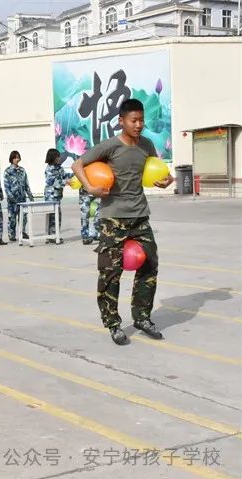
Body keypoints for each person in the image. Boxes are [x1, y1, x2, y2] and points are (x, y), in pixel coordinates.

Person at [72, 98, 174, 346]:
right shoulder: (109, 147)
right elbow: (77, 164)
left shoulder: (146, 144)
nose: (139, 125)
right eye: (134, 120)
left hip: (140, 215)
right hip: (113, 218)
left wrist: (167, 181)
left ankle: (142, 317)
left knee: (150, 265)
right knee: (110, 272)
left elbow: (158, 170)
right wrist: (90, 188)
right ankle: (113, 324)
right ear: (121, 121)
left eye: (141, 120)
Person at [3, 150, 33, 242]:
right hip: (12, 200)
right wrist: (11, 197)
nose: (17, 159)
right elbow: (6, 186)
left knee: (23, 218)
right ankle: (12, 234)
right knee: (12, 218)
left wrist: (30, 195)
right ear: (11, 159)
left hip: (22, 199)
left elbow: (26, 184)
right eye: (15, 158)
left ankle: (22, 232)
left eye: (18, 157)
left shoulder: (22, 170)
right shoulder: (7, 171)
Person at [44, 148, 71, 244]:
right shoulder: (49, 169)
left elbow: (65, 175)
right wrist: (65, 182)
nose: (59, 158)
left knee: (57, 216)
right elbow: (52, 182)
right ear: (52, 157)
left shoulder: (59, 167)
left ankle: (54, 235)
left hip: (57, 196)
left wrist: (75, 174)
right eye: (57, 157)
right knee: (52, 216)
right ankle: (52, 236)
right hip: (51, 196)